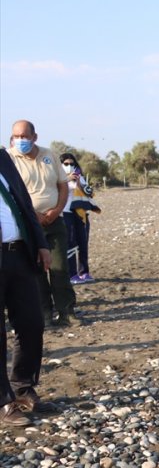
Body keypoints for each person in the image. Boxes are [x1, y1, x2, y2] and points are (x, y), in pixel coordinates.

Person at [0, 148, 54, 426]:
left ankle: (22, 386)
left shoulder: (3, 159)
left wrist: (41, 244)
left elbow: (23, 203)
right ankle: (4, 401)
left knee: (32, 322)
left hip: (19, 253)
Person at [8, 121, 76, 327]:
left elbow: (63, 185)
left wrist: (56, 210)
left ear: (34, 137)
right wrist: (33, 214)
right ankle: (44, 312)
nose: (20, 140)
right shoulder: (8, 159)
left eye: (24, 136)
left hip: (55, 220)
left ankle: (67, 312)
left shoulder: (50, 155)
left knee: (60, 268)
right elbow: (10, 192)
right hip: (27, 224)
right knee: (36, 270)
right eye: (16, 136)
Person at [60, 152, 100, 284]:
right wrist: (67, 179)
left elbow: (89, 192)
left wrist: (78, 182)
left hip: (81, 213)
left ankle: (84, 272)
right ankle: (72, 274)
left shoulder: (80, 177)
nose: (69, 166)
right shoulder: (58, 178)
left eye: (72, 164)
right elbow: (54, 188)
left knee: (83, 242)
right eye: (66, 164)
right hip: (66, 212)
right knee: (70, 243)